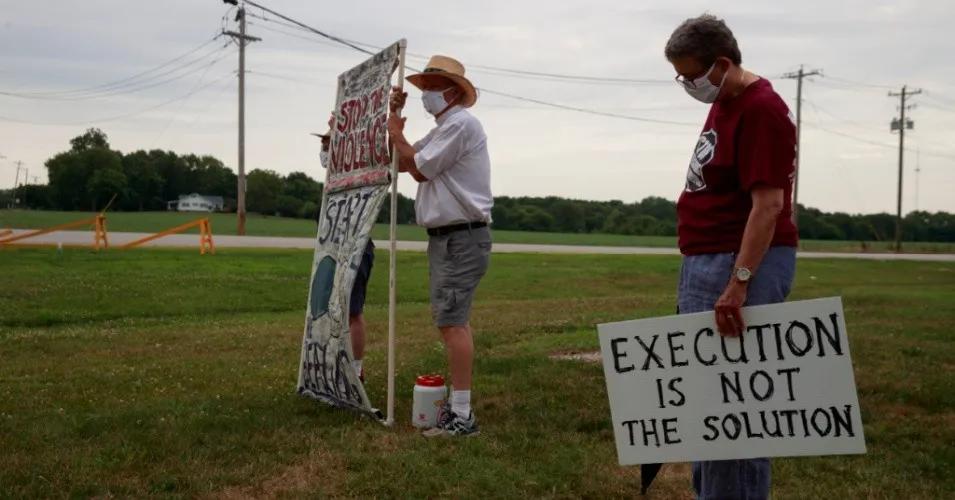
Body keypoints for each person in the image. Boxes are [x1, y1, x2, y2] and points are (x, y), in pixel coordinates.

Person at [664, 14, 799, 500]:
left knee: (735, 411)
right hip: (706, 259)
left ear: (722, 64)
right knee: (707, 406)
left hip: (735, 263)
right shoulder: (726, 101)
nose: (687, 85)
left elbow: (768, 205)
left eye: (691, 75)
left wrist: (739, 281)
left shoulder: (761, 108)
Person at [386, 55, 492, 437]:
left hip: (460, 237)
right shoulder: (444, 126)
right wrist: (393, 122)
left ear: (452, 92)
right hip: (450, 238)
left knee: (451, 323)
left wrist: (397, 131)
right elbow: (403, 164)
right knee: (454, 320)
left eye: (432, 89)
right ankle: (459, 408)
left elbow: (420, 168)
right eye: (424, 88)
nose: (426, 95)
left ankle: (461, 415)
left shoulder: (460, 124)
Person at [318, 129, 375, 382]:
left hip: (357, 243)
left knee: (352, 310)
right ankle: (335, 363)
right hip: (333, 243)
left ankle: (356, 369)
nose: (327, 150)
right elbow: (327, 162)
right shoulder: (336, 173)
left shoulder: (363, 165)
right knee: (331, 307)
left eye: (331, 144)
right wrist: (330, 138)